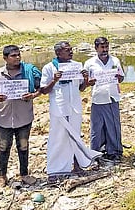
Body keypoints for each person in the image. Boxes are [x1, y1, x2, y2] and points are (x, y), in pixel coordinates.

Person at [40, 41, 102, 181]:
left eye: (71, 49)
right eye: (67, 50)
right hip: (59, 109)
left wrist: (86, 80)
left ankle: (77, 166)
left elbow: (81, 88)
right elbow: (44, 90)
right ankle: (55, 169)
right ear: (58, 53)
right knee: (58, 138)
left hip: (74, 107)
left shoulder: (75, 66)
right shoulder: (49, 68)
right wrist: (54, 81)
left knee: (75, 136)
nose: (71, 52)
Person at [0, 45, 41, 187]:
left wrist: (33, 95)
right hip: (4, 119)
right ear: (5, 58)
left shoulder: (28, 72)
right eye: (13, 56)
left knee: (23, 146)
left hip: (24, 118)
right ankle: (2, 176)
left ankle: (24, 174)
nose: (17, 58)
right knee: (3, 147)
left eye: (18, 55)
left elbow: (41, 89)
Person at [84, 37, 125, 162]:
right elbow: (84, 82)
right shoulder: (89, 63)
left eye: (106, 46)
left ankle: (115, 151)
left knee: (113, 126)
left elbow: (121, 78)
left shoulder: (115, 60)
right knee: (97, 127)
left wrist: (118, 77)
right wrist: (89, 82)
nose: (105, 50)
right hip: (97, 98)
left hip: (112, 97)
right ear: (96, 48)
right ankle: (97, 152)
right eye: (102, 47)